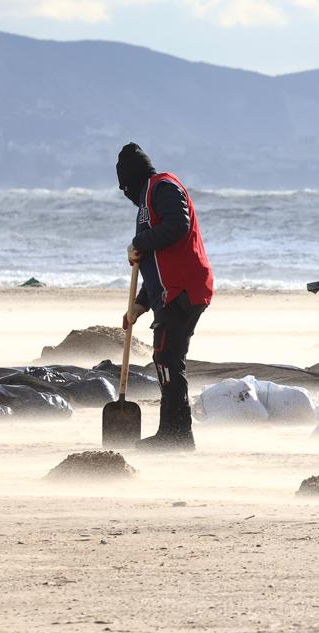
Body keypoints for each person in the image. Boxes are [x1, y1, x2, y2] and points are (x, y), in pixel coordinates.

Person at [117, 143, 213, 452]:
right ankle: (173, 431)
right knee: (166, 357)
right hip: (170, 290)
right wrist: (140, 305)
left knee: (167, 357)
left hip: (184, 290)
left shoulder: (162, 187)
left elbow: (178, 225)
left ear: (131, 179)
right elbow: (158, 266)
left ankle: (176, 434)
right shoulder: (147, 200)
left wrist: (139, 242)